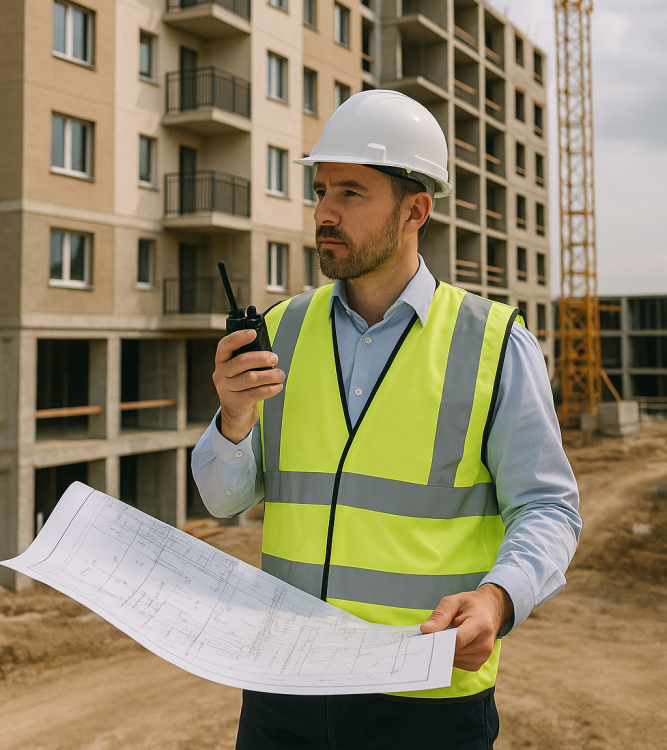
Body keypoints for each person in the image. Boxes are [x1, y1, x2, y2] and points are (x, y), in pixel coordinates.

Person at [192, 90, 581, 750]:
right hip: (284, 686)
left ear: (414, 211)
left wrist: (496, 598)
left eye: (351, 192)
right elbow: (224, 499)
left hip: (423, 696)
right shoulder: (282, 328)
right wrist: (233, 417)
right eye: (320, 191)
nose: (324, 213)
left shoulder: (489, 342)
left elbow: (547, 507)